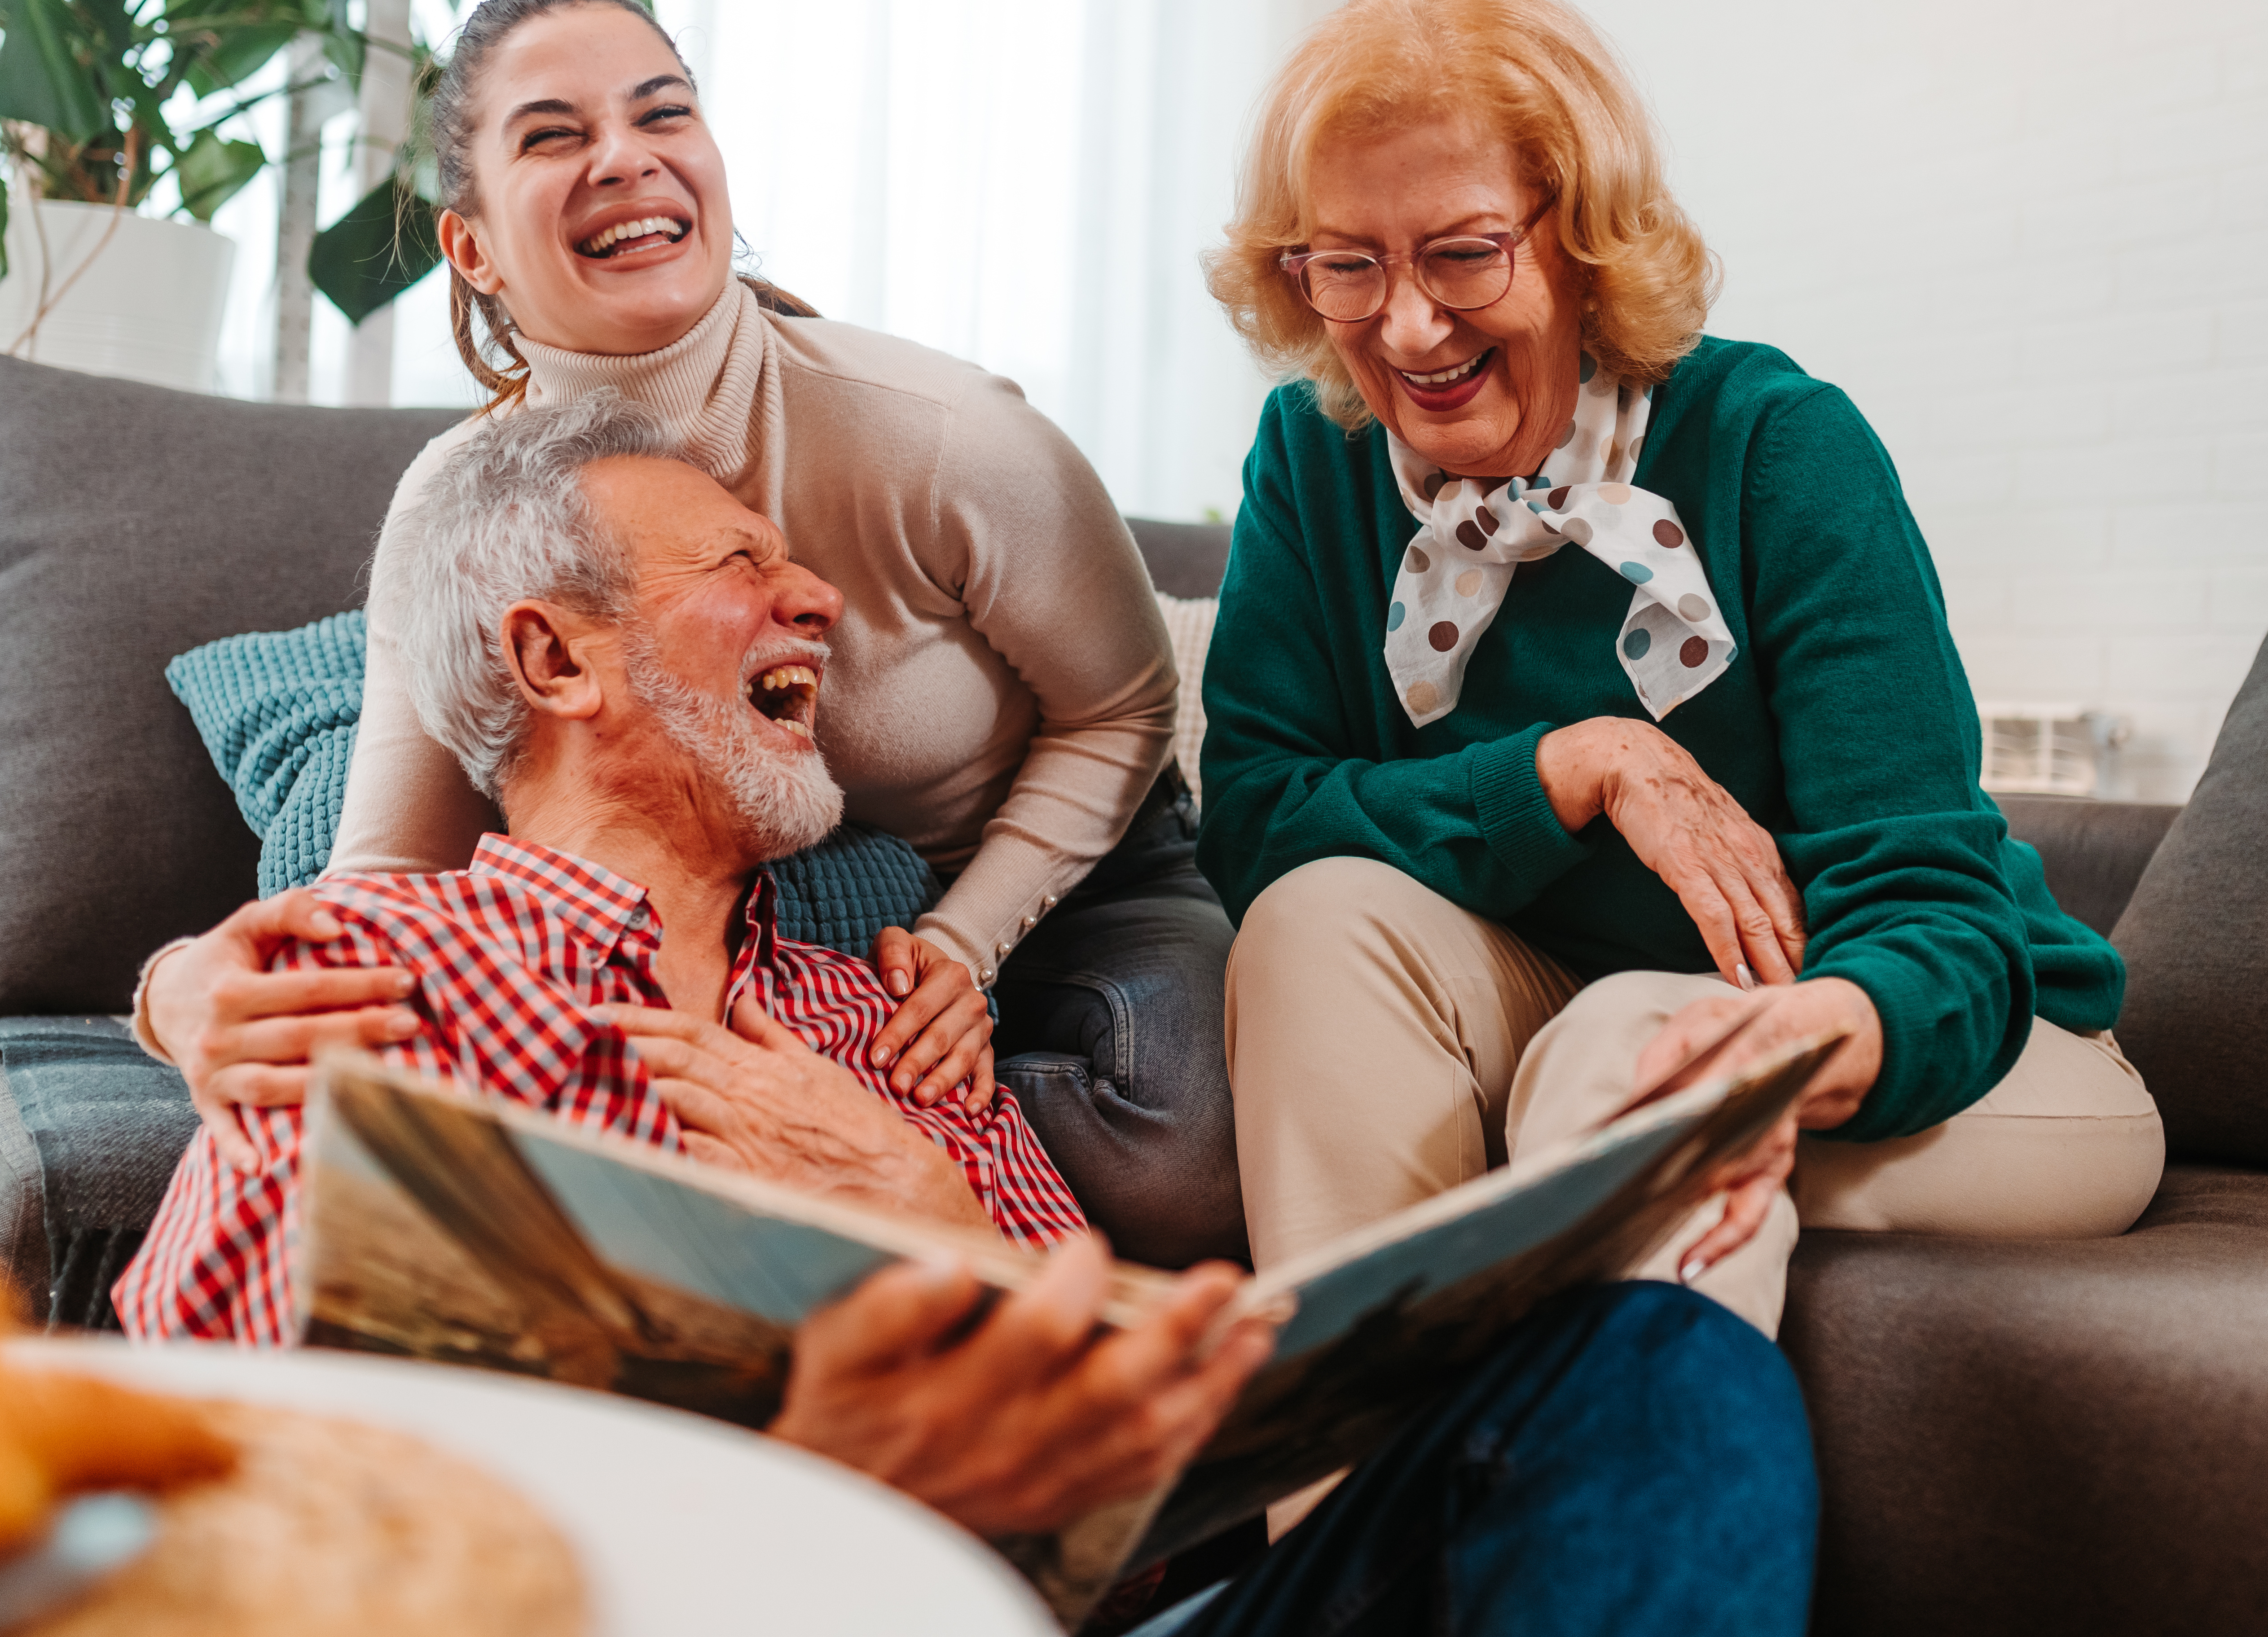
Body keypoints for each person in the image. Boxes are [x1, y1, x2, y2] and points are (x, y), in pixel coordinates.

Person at [125, 392, 1821, 1637]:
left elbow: (1137, 1525)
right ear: (556, 664)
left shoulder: (891, 1029)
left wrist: (942, 1228)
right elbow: (224, 1510)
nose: (824, 606)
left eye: (803, 565)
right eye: (741, 567)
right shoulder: (369, 987)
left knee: (1657, 1368)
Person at [130, 0, 1244, 1267]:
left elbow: (1125, 706)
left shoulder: (946, 437)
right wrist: (175, 994)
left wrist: (962, 947)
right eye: (553, 136)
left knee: (1181, 1156)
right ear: (473, 246)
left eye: (664, 114)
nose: (625, 158)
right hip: (802, 870)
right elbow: (384, 888)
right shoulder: (460, 510)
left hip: (1068, 858)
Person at [1198, 0, 2165, 1335]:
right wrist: (1571, 767)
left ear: (1584, 241)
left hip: (1943, 1034)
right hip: (1567, 1008)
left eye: (1465, 252)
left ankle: (1630, 1544)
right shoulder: (1317, 453)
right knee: (1313, 923)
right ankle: (1353, 1531)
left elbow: (1938, 917)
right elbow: (1253, 818)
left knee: (1627, 1049)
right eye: (1348, 265)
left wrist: (1798, 1045)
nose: (1406, 328)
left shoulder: (1780, 445)